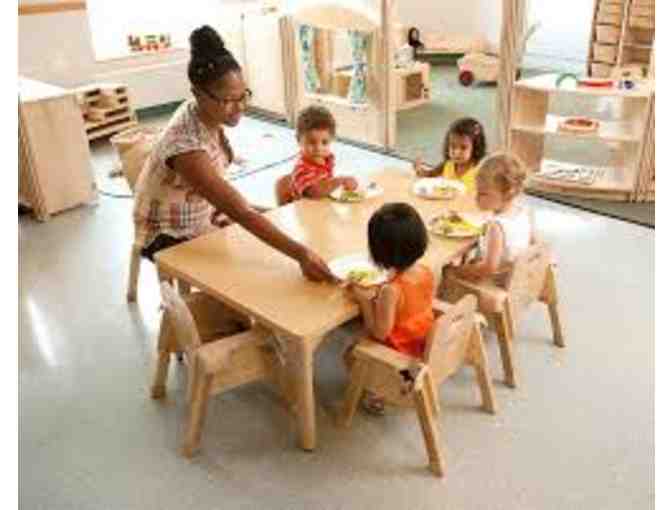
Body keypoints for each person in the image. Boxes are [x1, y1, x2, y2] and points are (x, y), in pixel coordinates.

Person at [132, 25, 333, 282]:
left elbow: (230, 201)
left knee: (276, 227)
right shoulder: (186, 147)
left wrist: (268, 218)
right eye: (228, 100)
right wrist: (301, 254)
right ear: (197, 94)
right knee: (254, 269)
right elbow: (240, 212)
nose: (239, 108)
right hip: (167, 235)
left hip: (202, 211)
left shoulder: (203, 115)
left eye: (243, 96)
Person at [346, 203, 435, 414]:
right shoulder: (425, 271)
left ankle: (379, 392)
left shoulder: (392, 291)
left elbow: (378, 333)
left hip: (402, 358)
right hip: (422, 343)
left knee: (350, 354)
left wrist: (364, 301)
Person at [442, 152, 535, 287]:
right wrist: (464, 217)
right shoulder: (524, 211)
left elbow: (488, 268)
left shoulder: (496, 227)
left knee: (444, 270)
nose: (476, 198)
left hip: (496, 281)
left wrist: (458, 271)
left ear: (507, 193)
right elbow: (533, 243)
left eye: (483, 194)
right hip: (518, 275)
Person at [290, 105, 358, 199]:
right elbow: (314, 193)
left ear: (331, 140)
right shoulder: (302, 169)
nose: (318, 148)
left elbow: (326, 186)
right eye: (311, 142)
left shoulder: (326, 159)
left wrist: (345, 184)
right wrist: (339, 181)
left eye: (324, 142)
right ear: (298, 140)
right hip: (305, 208)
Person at [414, 117, 487, 194]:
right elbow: (429, 175)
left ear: (475, 148)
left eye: (463, 148)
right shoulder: (447, 164)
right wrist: (419, 170)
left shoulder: (479, 171)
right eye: (453, 146)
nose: (457, 152)